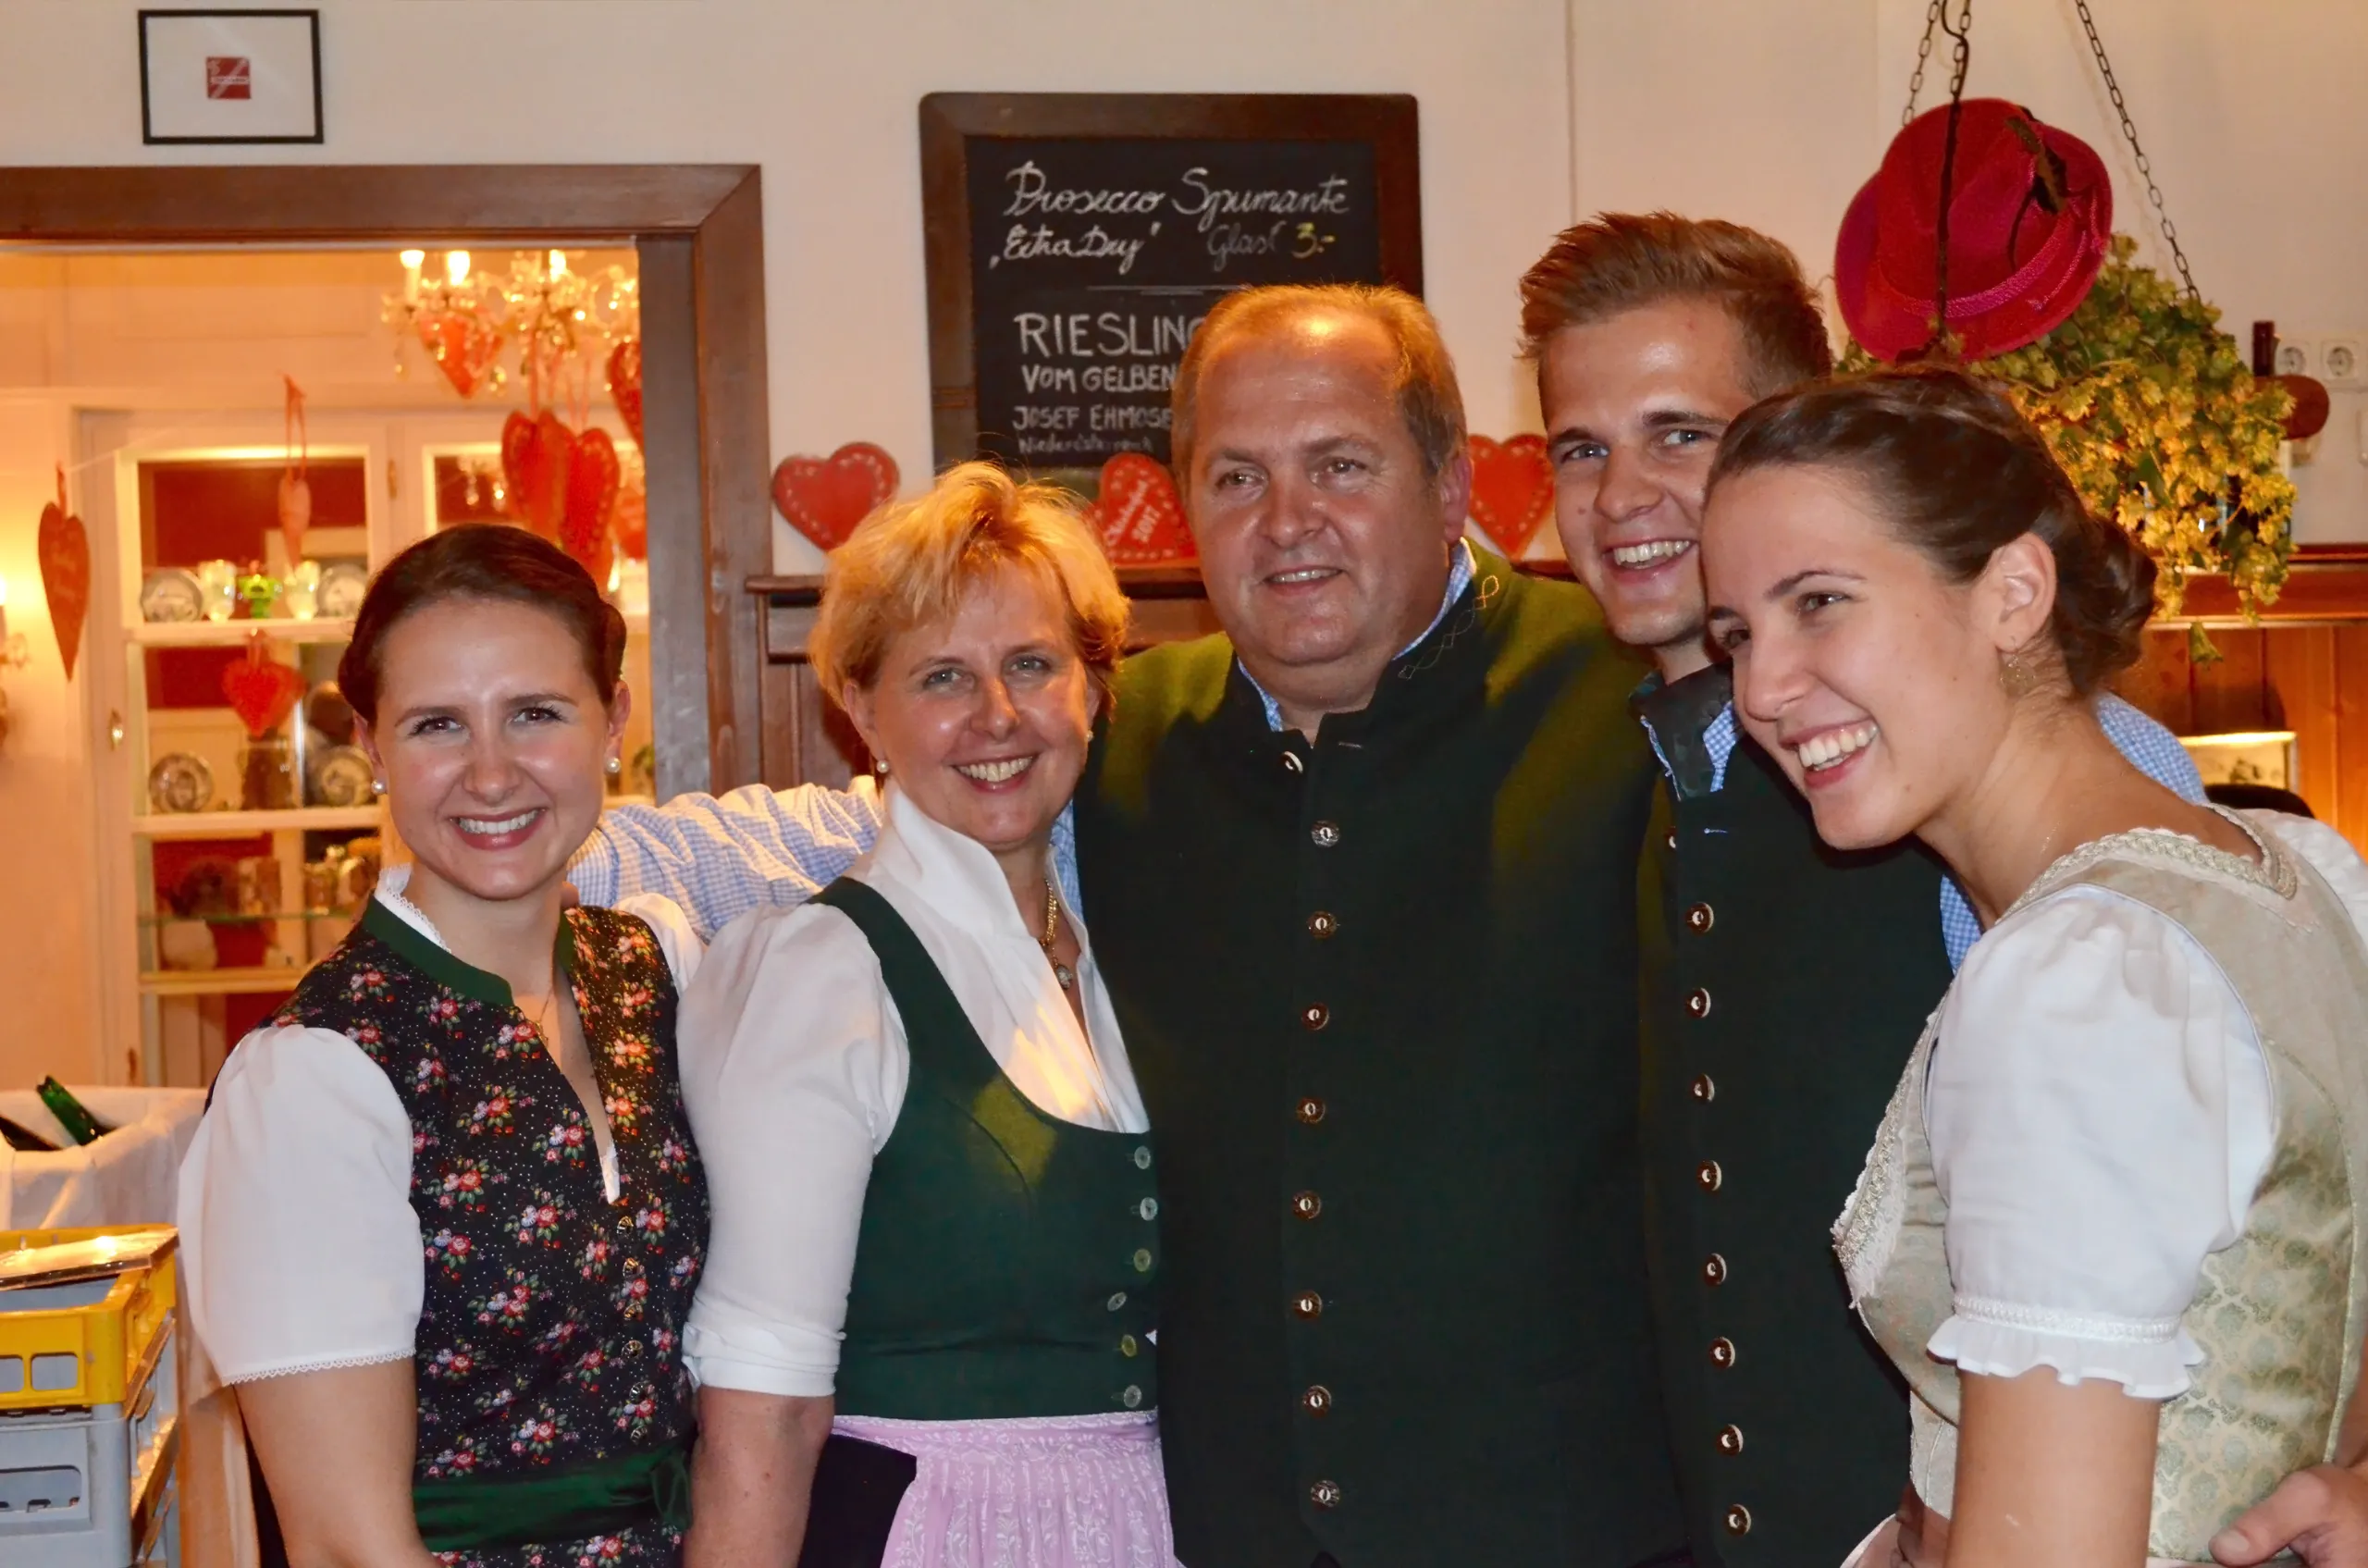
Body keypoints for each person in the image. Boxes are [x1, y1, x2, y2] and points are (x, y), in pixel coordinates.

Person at [573, 284, 1684, 1567]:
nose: (1288, 521)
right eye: (1237, 476)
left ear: (1449, 487)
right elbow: (835, 841)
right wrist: (508, 848)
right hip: (1220, 1537)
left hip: (1566, 1530)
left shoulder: (1626, 702)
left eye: (1339, 464)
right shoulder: (1124, 738)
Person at [1519, 210, 2205, 1567]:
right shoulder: (1653, 764)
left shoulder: (2032, 759)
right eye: (1580, 448)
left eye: (1678, 434)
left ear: (1794, 434)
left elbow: (2275, 1177)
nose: (1618, 497)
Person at [1699, 367, 2368, 1568]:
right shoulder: (2299, 869)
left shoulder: (2078, 983)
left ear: (2013, 592)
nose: (1762, 688)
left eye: (1821, 602)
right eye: (1738, 634)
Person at [178, 525, 708, 1568]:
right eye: (437, 726)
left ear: (615, 722)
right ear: (372, 750)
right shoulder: (314, 1078)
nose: (491, 773)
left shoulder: (652, 970)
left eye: (536, 713)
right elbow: (346, 1545)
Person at [677, 463, 1175, 1567]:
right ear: (862, 711)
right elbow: (763, 1410)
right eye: (942, 676)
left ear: (1094, 688)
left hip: (1137, 1527)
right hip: (931, 1532)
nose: (996, 715)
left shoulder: (1124, 958)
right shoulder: (823, 973)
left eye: (1032, 664)